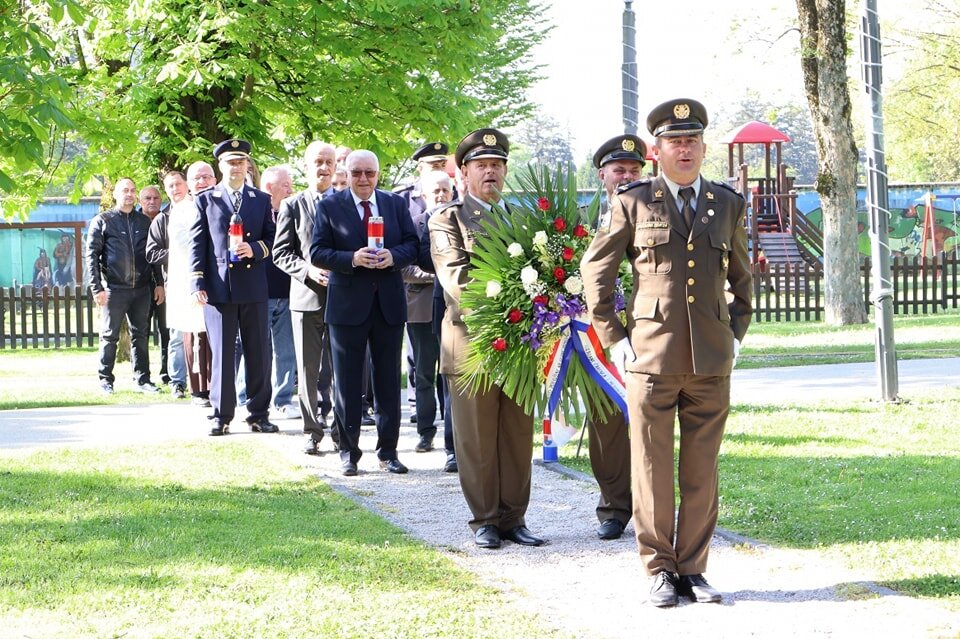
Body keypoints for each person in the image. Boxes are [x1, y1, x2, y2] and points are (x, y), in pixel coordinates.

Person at [580, 99, 753, 607]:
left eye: (692, 140)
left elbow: (743, 278)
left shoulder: (727, 203)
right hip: (650, 357)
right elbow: (598, 272)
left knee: (702, 467)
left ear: (703, 147)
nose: (685, 148)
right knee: (651, 467)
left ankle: (693, 569)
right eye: (675, 141)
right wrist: (616, 336)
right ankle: (658, 568)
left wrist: (735, 333)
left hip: (710, 362)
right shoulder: (634, 201)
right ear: (657, 151)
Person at [429, 128, 545, 550]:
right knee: (476, 437)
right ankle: (485, 520)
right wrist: (509, 304)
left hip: (519, 344)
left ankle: (515, 518)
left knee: (516, 435)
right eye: (482, 165)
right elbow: (456, 278)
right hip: (472, 342)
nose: (491, 172)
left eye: (497, 165)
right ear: (464, 172)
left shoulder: (522, 219)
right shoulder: (447, 219)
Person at [309, 149, 419, 477]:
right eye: (357, 173)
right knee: (346, 383)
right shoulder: (330, 205)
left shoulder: (396, 204)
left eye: (369, 173)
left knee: (388, 383)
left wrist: (393, 257)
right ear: (347, 172)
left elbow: (414, 245)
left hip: (388, 305)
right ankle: (348, 452)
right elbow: (317, 251)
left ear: (378, 174)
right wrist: (351, 259)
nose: (363, 179)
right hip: (346, 307)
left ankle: (389, 451)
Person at [569, 133, 650, 541]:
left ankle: (653, 507)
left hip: (647, 331)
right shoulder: (579, 222)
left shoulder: (656, 212)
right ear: (602, 174)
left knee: (651, 421)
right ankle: (613, 509)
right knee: (606, 424)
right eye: (619, 170)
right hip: (596, 338)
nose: (627, 176)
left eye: (635, 170)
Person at [189, 139, 278, 436]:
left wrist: (255, 249)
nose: (236, 167)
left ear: (247, 165)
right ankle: (221, 414)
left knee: (259, 353)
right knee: (224, 355)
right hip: (219, 287)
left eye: (241, 162)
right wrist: (197, 282)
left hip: (253, 285)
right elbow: (197, 244)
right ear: (220, 166)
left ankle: (258, 413)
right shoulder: (205, 199)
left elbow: (272, 239)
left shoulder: (261, 199)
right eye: (230, 162)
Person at [273, 141, 339, 456]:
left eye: (328, 162)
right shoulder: (292, 205)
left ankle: (342, 430)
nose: (323, 167)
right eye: (317, 162)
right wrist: (307, 270)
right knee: (308, 369)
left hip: (343, 299)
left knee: (342, 369)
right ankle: (312, 430)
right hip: (306, 298)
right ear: (307, 166)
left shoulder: (346, 203)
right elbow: (280, 253)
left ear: (336, 166)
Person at [85, 177, 163, 394]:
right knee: (109, 335)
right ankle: (105, 380)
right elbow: (91, 256)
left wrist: (159, 284)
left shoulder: (144, 222)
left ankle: (143, 380)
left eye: (132, 190)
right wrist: (96, 288)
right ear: (116, 194)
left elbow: (153, 255)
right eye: (124, 190)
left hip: (142, 289)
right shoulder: (103, 221)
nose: (129, 194)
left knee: (141, 334)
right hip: (114, 289)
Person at [235, 165, 299, 419]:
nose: (291, 190)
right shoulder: (254, 211)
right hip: (260, 292)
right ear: (270, 187)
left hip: (288, 291)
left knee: (286, 350)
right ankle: (244, 397)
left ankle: (283, 400)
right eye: (286, 185)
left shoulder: (293, 212)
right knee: (255, 349)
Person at [402, 169, 452, 455]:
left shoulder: (459, 221)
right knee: (423, 373)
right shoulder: (416, 224)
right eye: (436, 191)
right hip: (421, 309)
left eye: (446, 190)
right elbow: (405, 268)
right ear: (423, 195)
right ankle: (425, 431)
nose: (441, 195)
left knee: (449, 375)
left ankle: (451, 433)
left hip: (452, 308)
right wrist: (440, 276)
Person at [145, 175, 189, 398]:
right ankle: (177, 382)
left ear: (186, 186)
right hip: (177, 284)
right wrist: (178, 256)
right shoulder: (162, 219)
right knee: (177, 336)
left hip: (205, 282)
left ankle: (205, 382)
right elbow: (152, 253)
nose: (175, 189)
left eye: (178, 184)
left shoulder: (199, 210)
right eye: (170, 186)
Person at [139, 185, 171, 384]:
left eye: (156, 198)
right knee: (141, 333)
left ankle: (167, 373)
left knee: (167, 330)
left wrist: (161, 283)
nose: (152, 201)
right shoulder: (134, 222)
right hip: (140, 287)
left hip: (167, 285)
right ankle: (142, 376)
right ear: (140, 202)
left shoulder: (167, 220)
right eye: (147, 198)